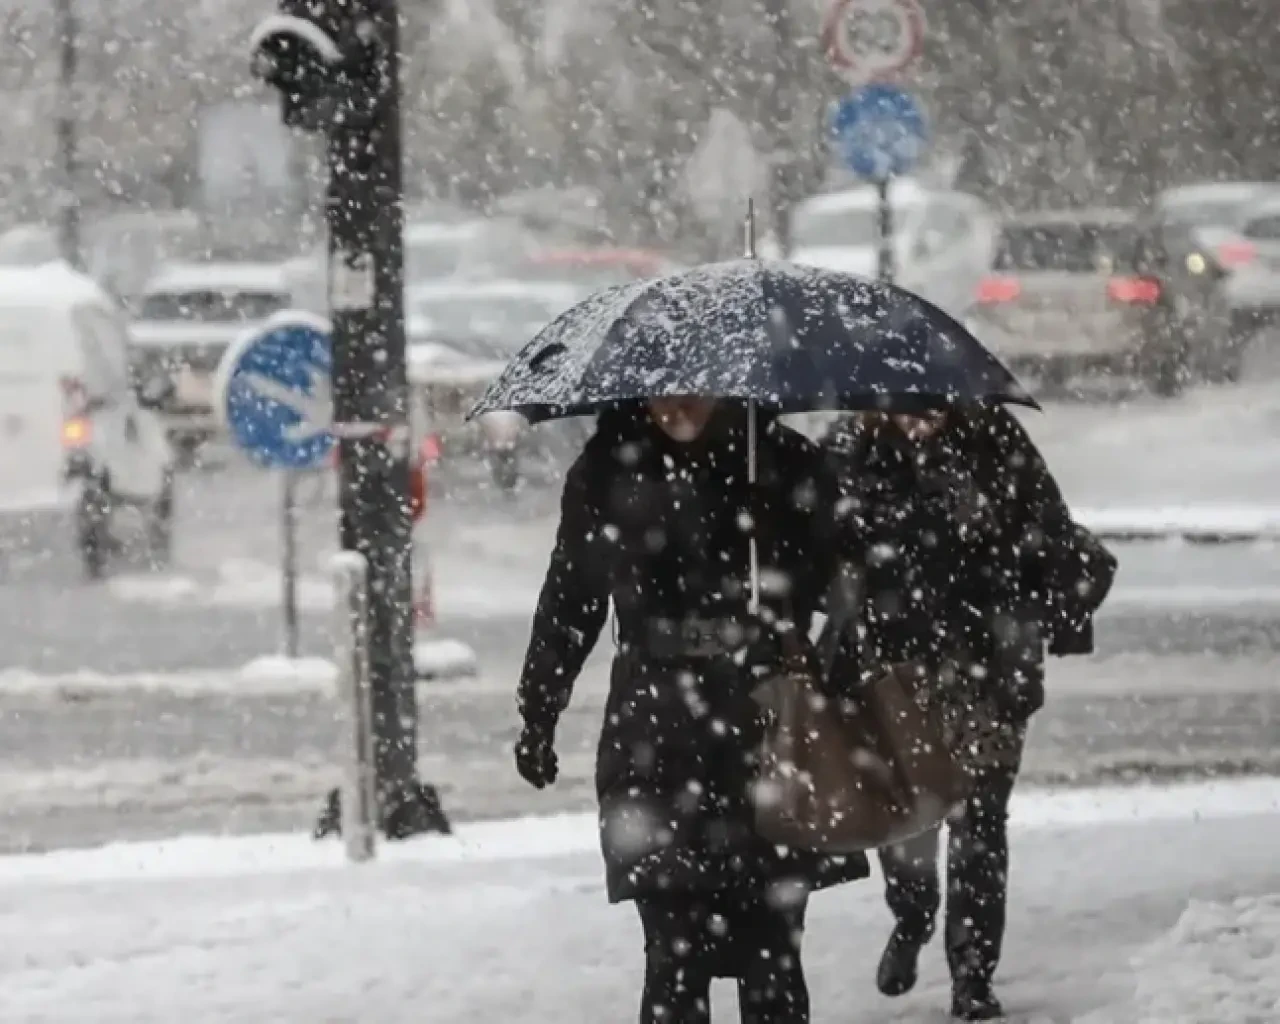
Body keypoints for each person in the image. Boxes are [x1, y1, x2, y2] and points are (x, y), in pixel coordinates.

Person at [513, 396, 870, 1024]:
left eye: (694, 386)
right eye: (660, 387)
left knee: (773, 950)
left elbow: (845, 582)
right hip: (655, 723)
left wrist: (783, 556)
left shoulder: (780, 458)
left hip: (765, 720)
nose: (677, 400)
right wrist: (540, 708)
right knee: (674, 954)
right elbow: (573, 593)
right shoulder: (608, 467)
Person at [823, 406, 1115, 1021]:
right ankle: (912, 916)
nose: (919, 416)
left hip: (985, 667)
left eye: (932, 402)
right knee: (906, 824)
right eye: (903, 402)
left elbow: (1050, 530)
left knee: (980, 827)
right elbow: (816, 555)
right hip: (891, 667)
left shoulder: (995, 437)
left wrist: (995, 533)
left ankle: (973, 975)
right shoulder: (848, 448)